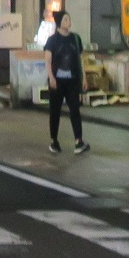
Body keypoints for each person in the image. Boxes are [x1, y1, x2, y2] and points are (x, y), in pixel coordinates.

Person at [45, 8, 89, 154]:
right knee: (55, 111)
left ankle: (79, 141)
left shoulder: (75, 39)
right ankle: (54, 141)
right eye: (65, 19)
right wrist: (51, 77)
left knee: (75, 109)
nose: (68, 22)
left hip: (72, 81)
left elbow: (80, 59)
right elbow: (48, 60)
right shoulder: (52, 40)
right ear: (59, 23)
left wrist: (84, 77)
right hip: (57, 81)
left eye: (69, 19)